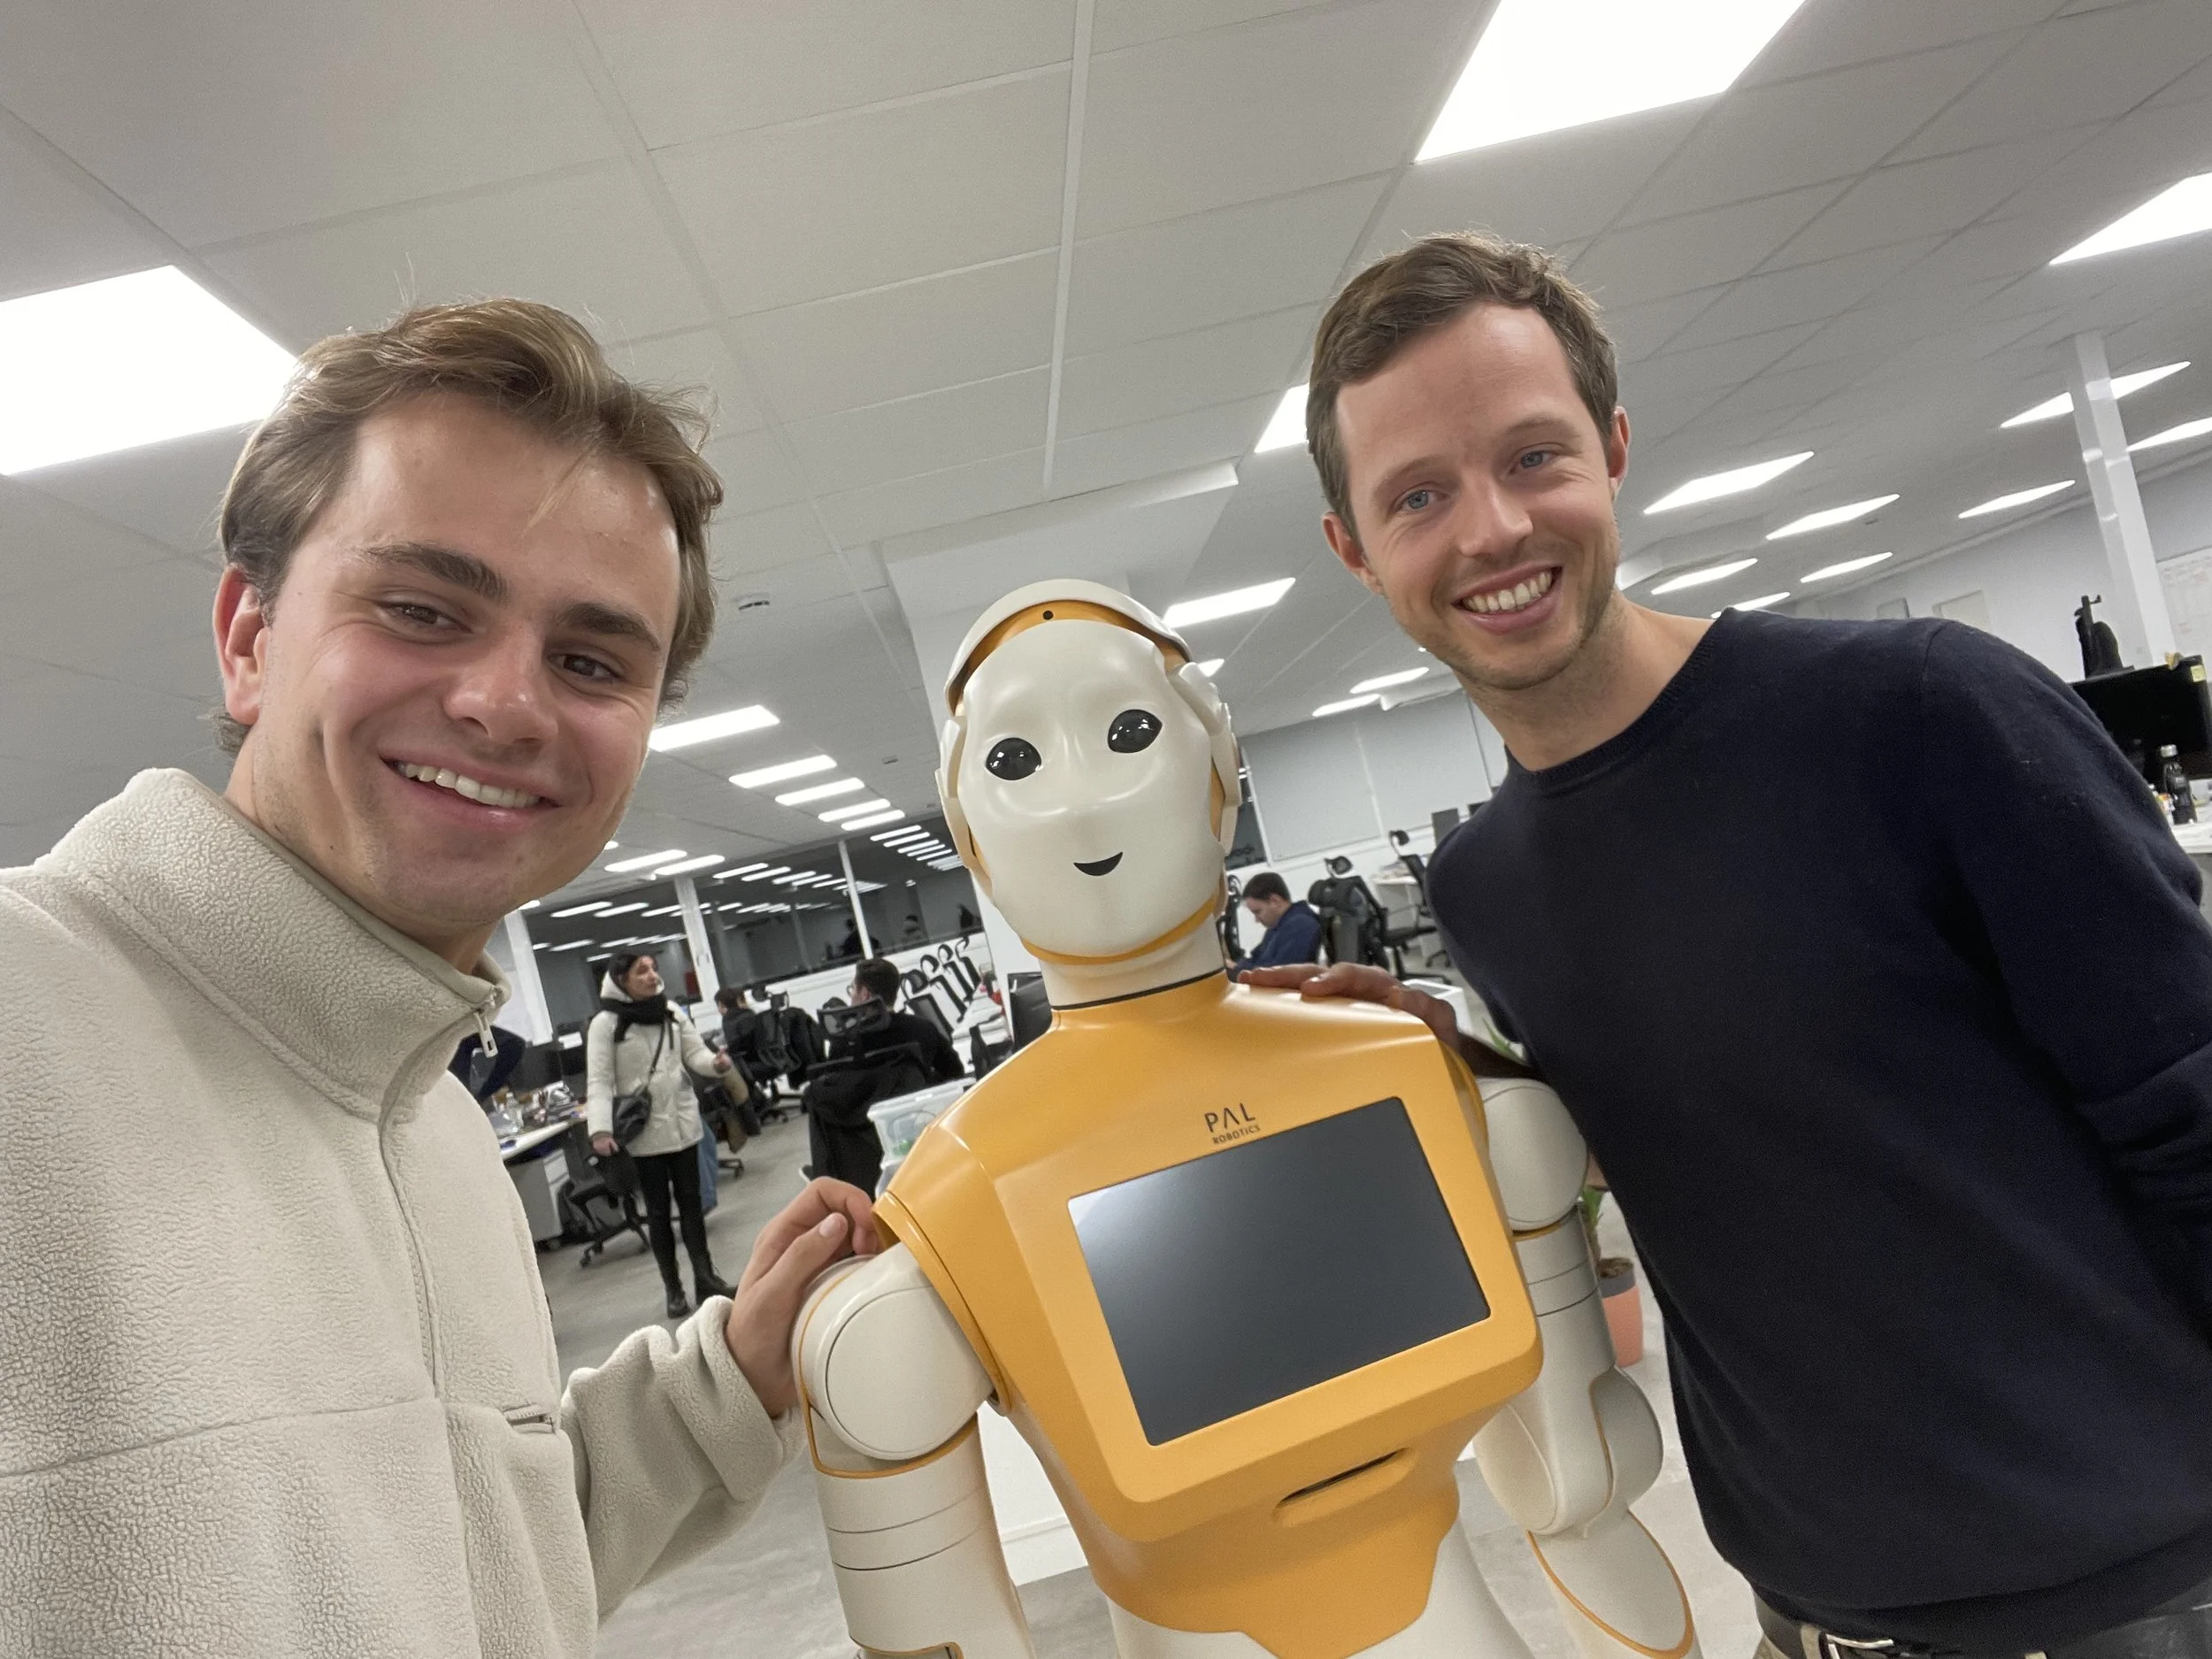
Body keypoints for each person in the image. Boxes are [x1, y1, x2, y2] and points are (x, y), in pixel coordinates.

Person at [1249, 231, 2212, 1659]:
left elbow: (2194, 1118)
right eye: (1420, 495)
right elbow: (1715, 1127)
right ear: (1354, 548)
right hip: (1811, 1603)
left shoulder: (1922, 717)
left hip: (2129, 1592)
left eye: (1533, 457)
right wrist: (1442, 1067)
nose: (1494, 531)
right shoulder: (1486, 883)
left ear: (1615, 445)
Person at [0, 297, 880, 1655]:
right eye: (421, 608)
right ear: (247, 636)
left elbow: (468, 1571)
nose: (507, 702)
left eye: (590, 659)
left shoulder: (438, 1129)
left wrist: (730, 1379)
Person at [588, 950, 742, 1317]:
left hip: (683, 1124)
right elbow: (599, 1082)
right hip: (644, 1134)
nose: (652, 976)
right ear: (622, 980)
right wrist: (600, 1130)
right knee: (658, 1213)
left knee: (692, 1205)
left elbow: (696, 1054)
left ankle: (706, 1280)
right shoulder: (606, 1025)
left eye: (654, 969)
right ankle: (673, 1291)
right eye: (642, 972)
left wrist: (717, 1064)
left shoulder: (671, 1011)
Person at [806, 957, 964, 1194]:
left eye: (853, 989)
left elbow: (835, 1096)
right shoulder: (921, 1030)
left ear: (864, 994)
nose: (851, 996)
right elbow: (955, 1072)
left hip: (859, 1172)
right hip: (917, 1154)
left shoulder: (843, 1045)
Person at [1225, 870, 1321, 975]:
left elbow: (1279, 973)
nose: (1256, 920)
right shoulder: (1277, 928)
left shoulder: (1302, 925)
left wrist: (1238, 968)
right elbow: (1255, 958)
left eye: (1258, 912)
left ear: (1275, 901)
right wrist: (1236, 967)